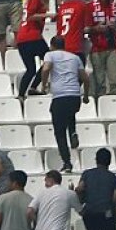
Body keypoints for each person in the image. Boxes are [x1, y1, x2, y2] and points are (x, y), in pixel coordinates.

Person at [40, 37, 87, 173]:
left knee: (59, 132)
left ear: (52, 45)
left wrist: (44, 85)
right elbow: (85, 78)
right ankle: (72, 131)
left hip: (60, 96)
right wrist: (85, 95)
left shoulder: (50, 55)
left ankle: (67, 162)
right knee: (70, 113)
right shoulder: (74, 57)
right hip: (74, 96)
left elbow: (46, 68)